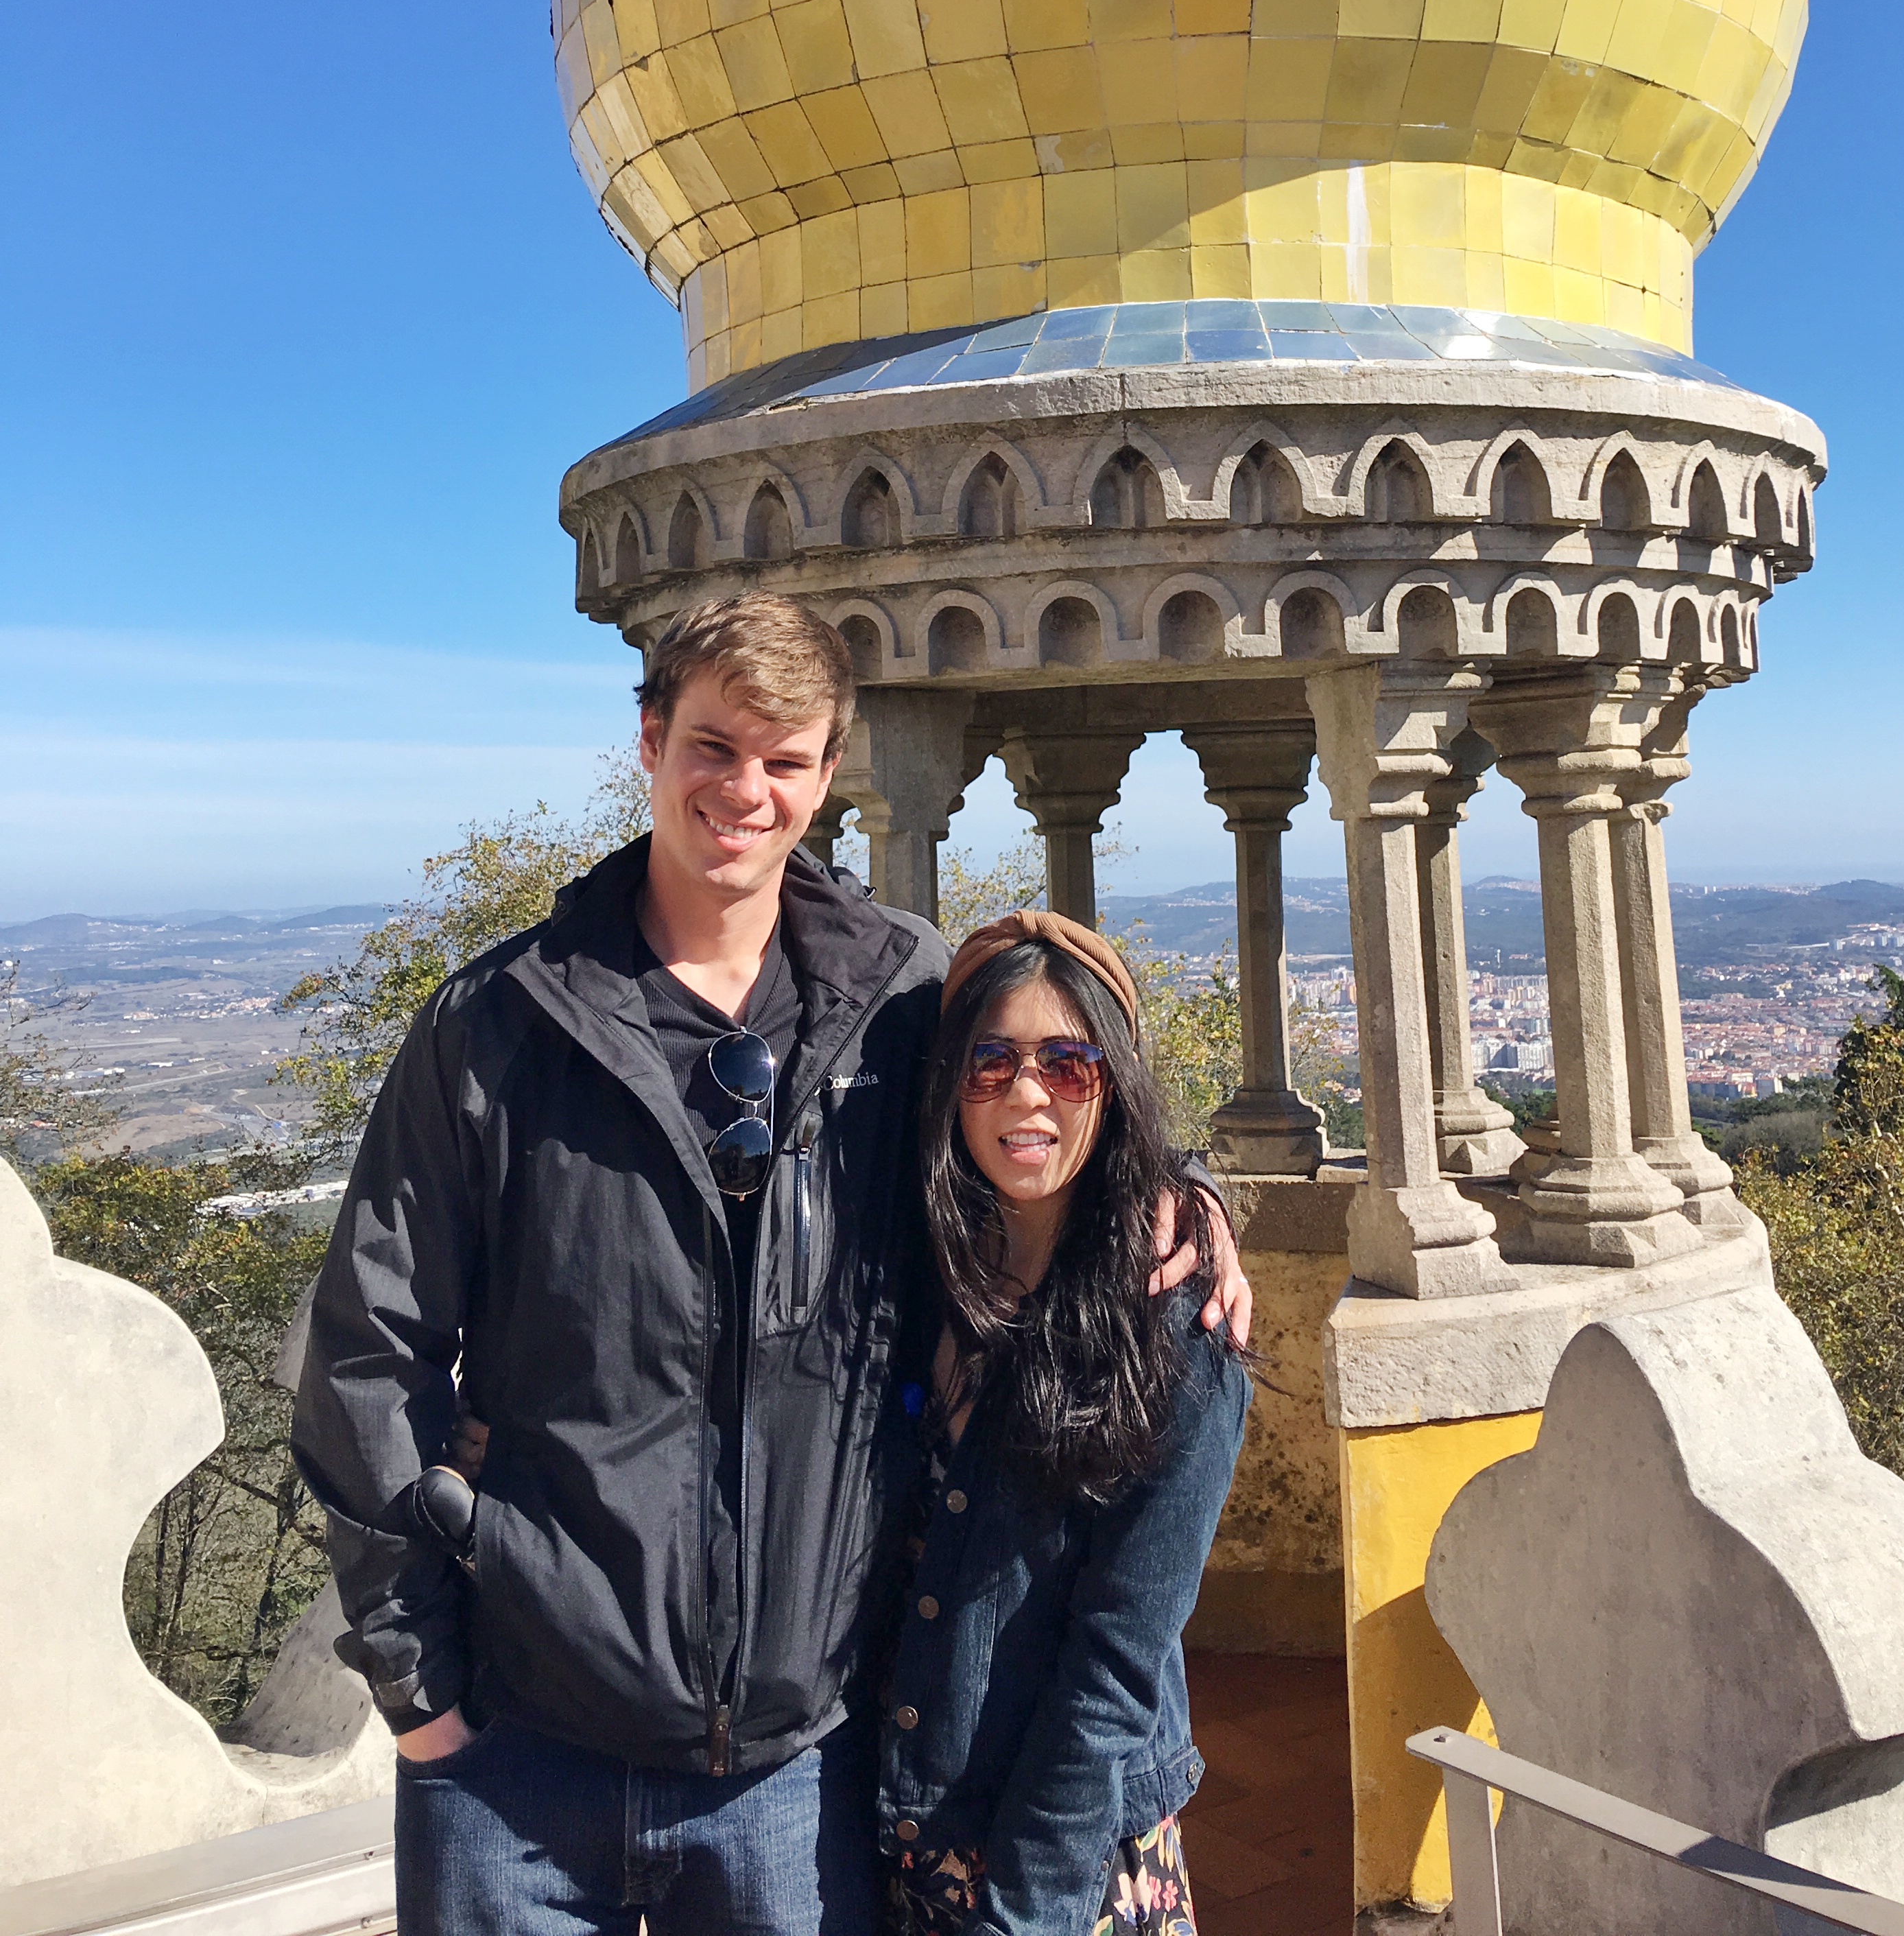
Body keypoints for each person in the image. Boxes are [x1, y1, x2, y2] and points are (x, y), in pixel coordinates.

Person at [291, 593, 1250, 1936]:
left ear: (826, 773)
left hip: (796, 1772)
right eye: (713, 746)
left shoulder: (906, 1009)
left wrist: (1175, 1185)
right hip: (520, 1754)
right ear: (649, 743)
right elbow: (366, 1351)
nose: (745, 790)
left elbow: (1045, 1110)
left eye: (784, 759)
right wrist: (422, 1692)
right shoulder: (500, 1028)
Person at [879, 912, 1251, 1936]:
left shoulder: (1178, 1330)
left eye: (1069, 1064)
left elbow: (1118, 1660)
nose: (1027, 1093)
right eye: (989, 1062)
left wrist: (1026, 1910)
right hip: (909, 1826)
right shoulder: (915, 1285)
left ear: (1115, 1082)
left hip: (1071, 1868)